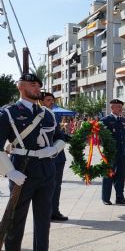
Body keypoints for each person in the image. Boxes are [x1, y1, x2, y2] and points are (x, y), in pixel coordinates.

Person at [0, 73, 65, 251]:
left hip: (46, 168)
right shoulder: (8, 113)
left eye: (38, 85)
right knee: (17, 216)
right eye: (32, 85)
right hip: (22, 167)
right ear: (21, 86)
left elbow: (61, 137)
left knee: (44, 215)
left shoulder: (48, 113)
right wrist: (9, 172)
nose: (37, 88)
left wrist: (53, 149)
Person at [39, 92, 69, 222]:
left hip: (58, 157)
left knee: (57, 186)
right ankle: (46, 212)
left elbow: (58, 135)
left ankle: (54, 211)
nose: (52, 102)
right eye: (48, 100)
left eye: (52, 100)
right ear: (40, 101)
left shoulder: (53, 115)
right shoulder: (38, 116)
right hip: (45, 158)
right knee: (46, 187)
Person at [101, 99, 125, 205]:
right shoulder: (105, 120)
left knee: (121, 175)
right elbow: (101, 137)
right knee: (108, 174)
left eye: (121, 107)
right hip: (110, 153)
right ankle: (106, 198)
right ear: (112, 108)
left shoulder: (123, 120)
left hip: (122, 152)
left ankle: (120, 197)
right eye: (118, 107)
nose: (121, 109)